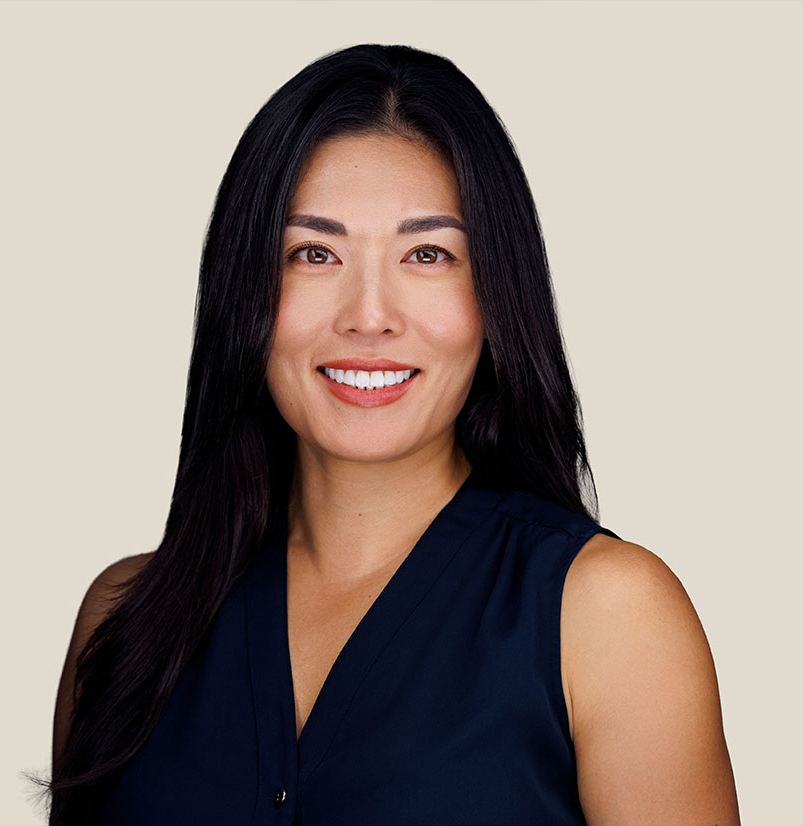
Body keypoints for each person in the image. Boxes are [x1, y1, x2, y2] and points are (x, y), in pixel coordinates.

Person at [47, 44, 740, 825]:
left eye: (427, 254)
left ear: (494, 296)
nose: (368, 315)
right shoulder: (126, 618)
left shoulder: (606, 615)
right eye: (313, 253)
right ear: (243, 289)